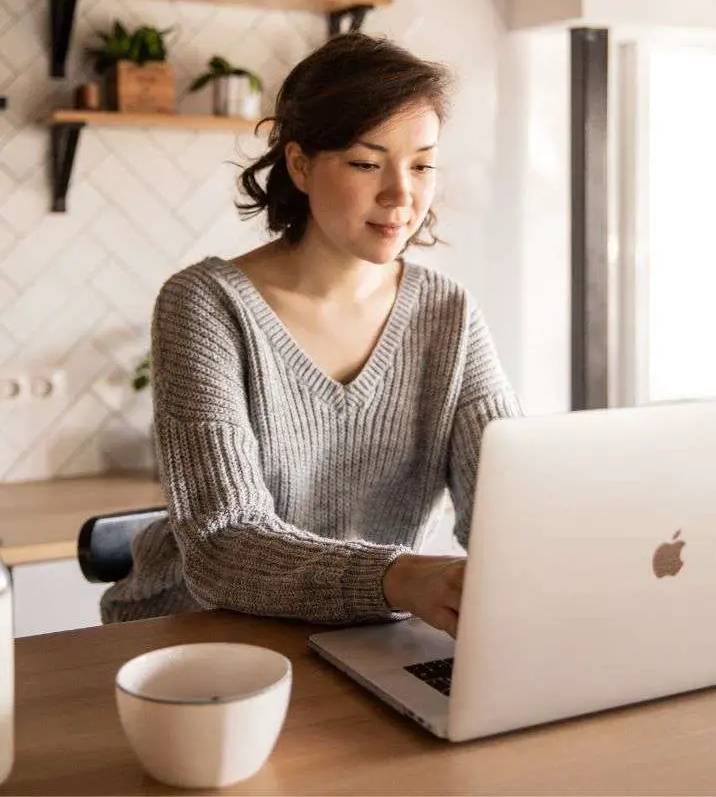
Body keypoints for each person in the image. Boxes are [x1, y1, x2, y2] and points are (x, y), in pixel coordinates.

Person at [101, 32, 522, 637]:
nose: (402, 195)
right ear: (300, 165)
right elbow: (223, 543)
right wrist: (395, 576)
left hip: (362, 634)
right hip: (195, 636)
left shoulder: (447, 314)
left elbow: (509, 504)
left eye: (423, 164)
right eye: (366, 163)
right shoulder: (206, 305)